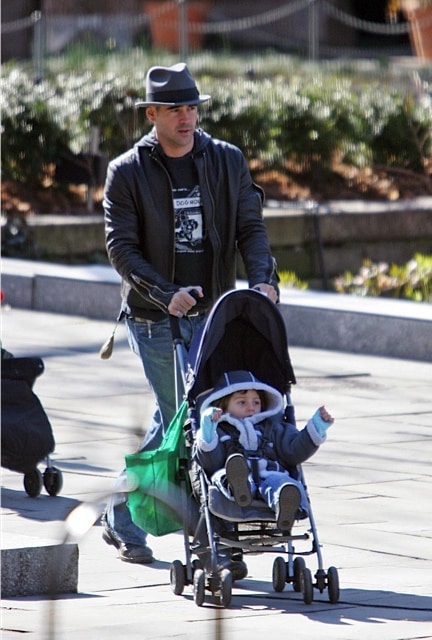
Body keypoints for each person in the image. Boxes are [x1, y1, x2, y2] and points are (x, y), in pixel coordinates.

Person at [102, 62, 279, 564]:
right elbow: (122, 250)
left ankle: (124, 514)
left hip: (216, 314)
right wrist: (166, 293)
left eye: (192, 107)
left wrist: (263, 280)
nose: (186, 117)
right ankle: (206, 534)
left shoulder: (226, 160)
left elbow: (252, 227)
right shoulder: (126, 172)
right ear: (152, 113)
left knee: (183, 414)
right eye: (175, 108)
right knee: (188, 415)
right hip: (155, 318)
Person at [194, 370, 334, 532]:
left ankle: (284, 503)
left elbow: (294, 450)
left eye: (256, 402)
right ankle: (240, 487)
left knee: (284, 483)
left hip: (270, 473)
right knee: (222, 475)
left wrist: (316, 427)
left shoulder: (272, 428)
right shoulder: (220, 431)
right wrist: (208, 432)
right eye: (242, 402)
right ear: (222, 406)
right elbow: (212, 462)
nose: (251, 407)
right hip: (233, 471)